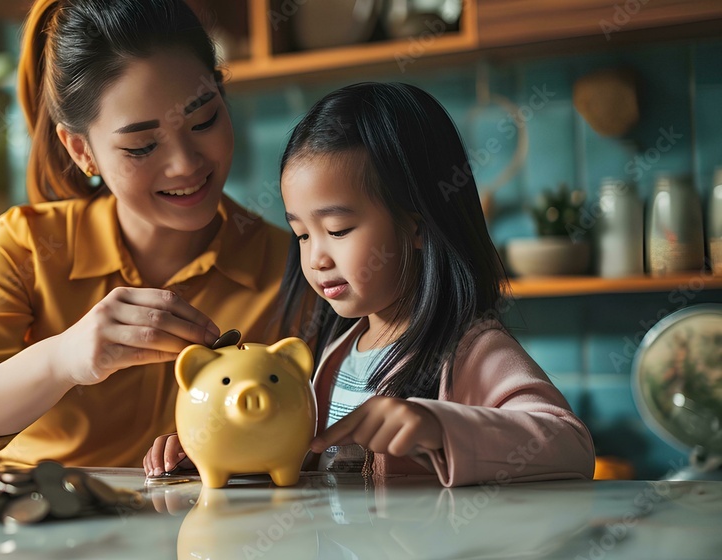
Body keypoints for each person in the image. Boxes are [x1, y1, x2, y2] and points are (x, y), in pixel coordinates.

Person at [144, 82, 594, 487]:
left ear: (418, 227)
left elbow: (571, 444)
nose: (316, 258)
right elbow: (304, 465)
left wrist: (439, 426)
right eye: (302, 234)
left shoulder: (471, 350)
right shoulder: (336, 355)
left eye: (338, 230)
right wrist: (214, 449)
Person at [0, 0, 290, 471]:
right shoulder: (27, 246)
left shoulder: (292, 267)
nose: (186, 164)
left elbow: (313, 437)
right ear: (81, 150)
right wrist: (64, 359)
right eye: (142, 146)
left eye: (205, 120)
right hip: (35, 532)